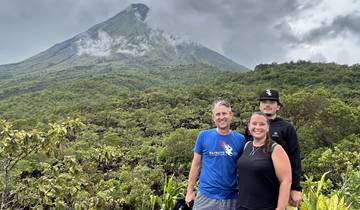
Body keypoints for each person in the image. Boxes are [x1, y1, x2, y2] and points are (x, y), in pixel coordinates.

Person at [185, 100, 246, 210]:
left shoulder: (240, 139)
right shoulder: (203, 136)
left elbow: (243, 169)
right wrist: (189, 191)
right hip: (206, 196)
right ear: (213, 118)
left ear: (231, 115)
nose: (221, 117)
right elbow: (195, 165)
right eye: (218, 114)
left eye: (224, 113)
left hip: (231, 197)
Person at [251, 89, 302, 207]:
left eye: (272, 102)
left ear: (278, 106)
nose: (267, 105)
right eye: (264, 102)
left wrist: (295, 188)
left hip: (280, 184)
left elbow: (295, 157)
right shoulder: (253, 126)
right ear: (259, 105)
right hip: (256, 185)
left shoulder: (287, 127)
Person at [237, 112, 292, 210]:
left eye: (262, 124)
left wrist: (280, 208)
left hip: (266, 206)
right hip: (243, 205)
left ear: (267, 127)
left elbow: (286, 181)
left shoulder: (275, 149)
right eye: (254, 124)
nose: (257, 127)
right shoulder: (247, 145)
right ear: (249, 127)